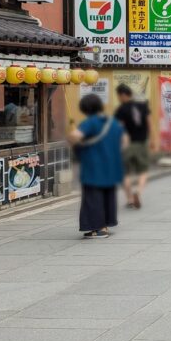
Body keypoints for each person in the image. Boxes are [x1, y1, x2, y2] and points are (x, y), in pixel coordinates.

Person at [69, 94, 125, 239]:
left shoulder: (90, 122)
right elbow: (124, 141)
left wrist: (73, 141)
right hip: (112, 166)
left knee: (93, 198)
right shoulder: (112, 122)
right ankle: (104, 225)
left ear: (86, 109)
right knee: (108, 196)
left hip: (94, 167)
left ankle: (98, 229)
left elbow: (76, 136)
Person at [114, 84, 151, 209]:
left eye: (118, 96)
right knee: (143, 171)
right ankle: (138, 192)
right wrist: (153, 140)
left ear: (123, 95)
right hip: (141, 143)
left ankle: (130, 199)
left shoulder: (121, 110)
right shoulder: (142, 106)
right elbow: (149, 123)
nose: (119, 98)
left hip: (127, 145)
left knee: (125, 173)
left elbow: (118, 128)